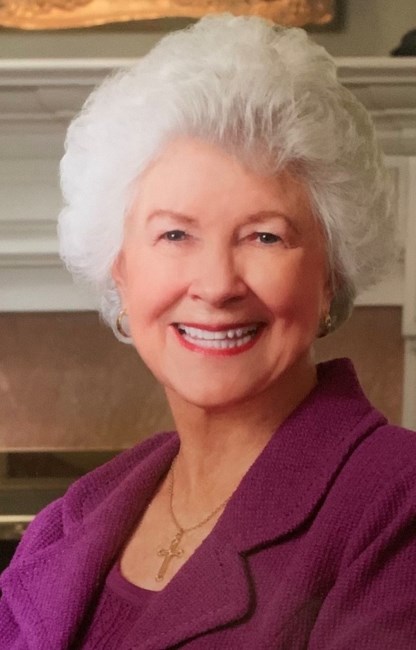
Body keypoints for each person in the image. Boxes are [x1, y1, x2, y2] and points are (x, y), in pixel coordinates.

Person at [1, 13, 416, 649]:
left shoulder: (395, 501)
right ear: (121, 270)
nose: (218, 285)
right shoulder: (70, 520)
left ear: (331, 275)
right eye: (175, 234)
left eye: (265, 236)